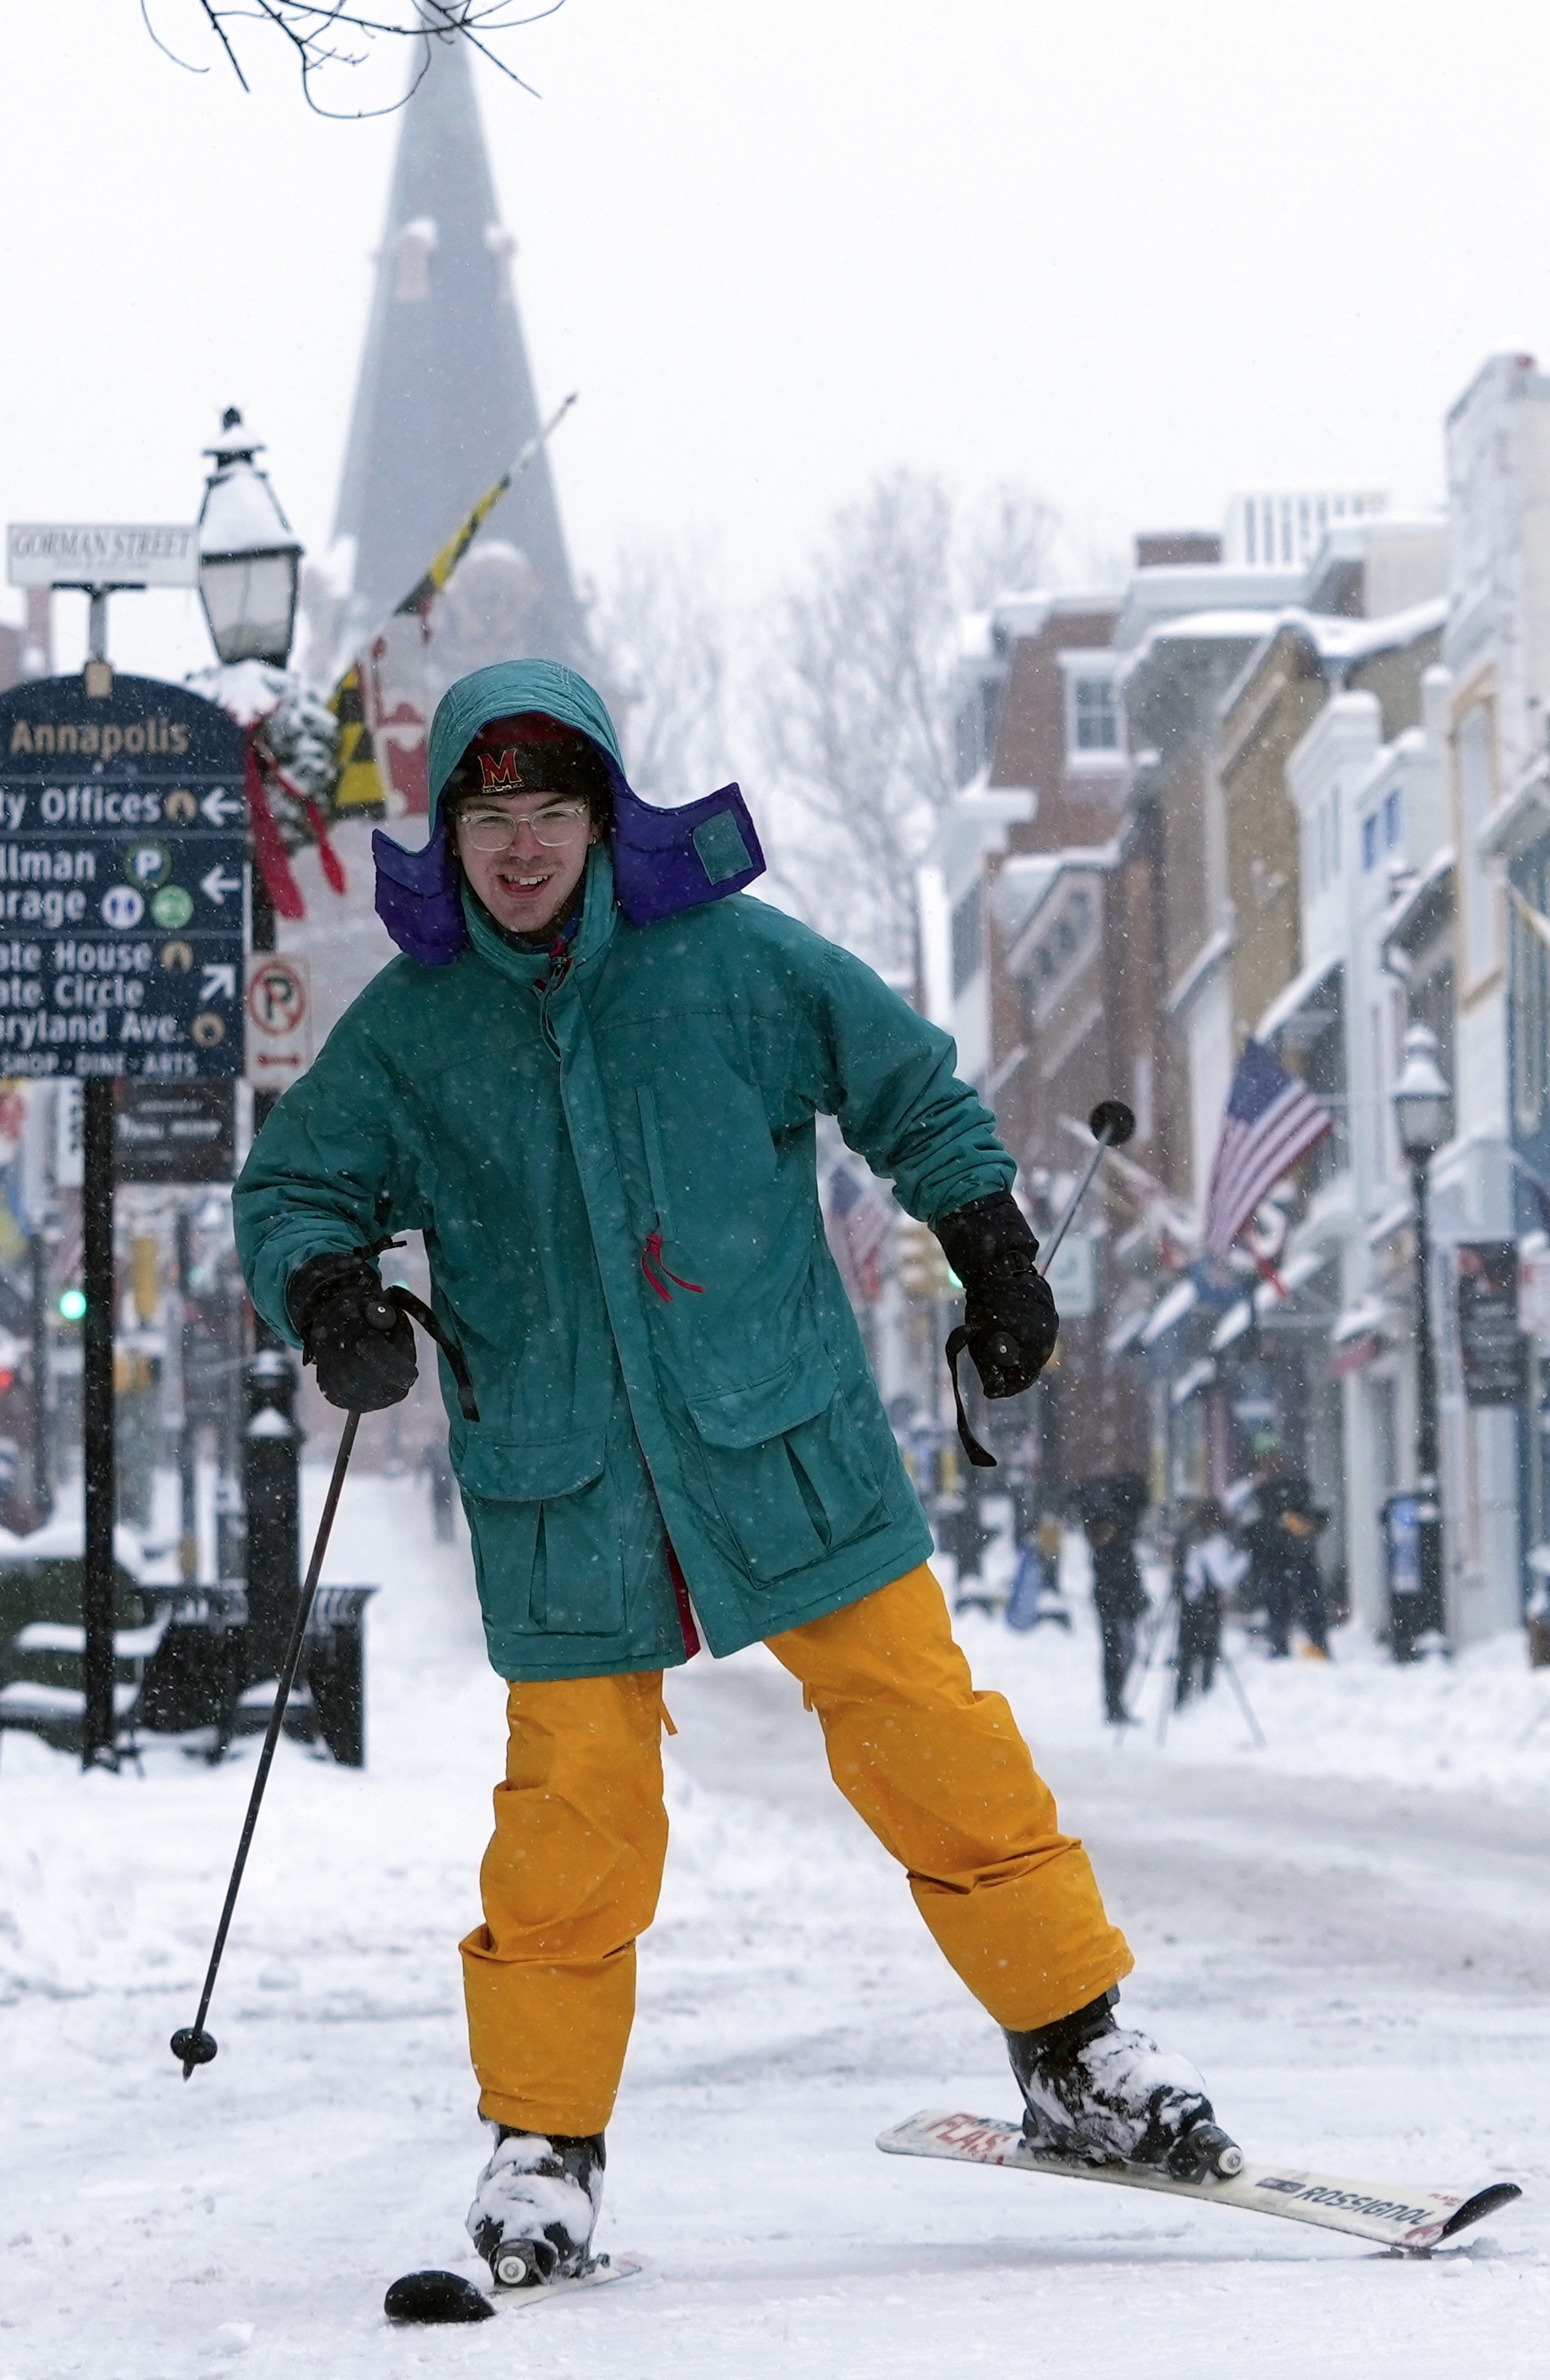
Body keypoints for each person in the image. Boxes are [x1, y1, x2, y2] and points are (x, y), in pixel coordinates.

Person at [236, 662, 1241, 2293]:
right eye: (489, 816)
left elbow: (908, 1081)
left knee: (927, 1729)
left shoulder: (732, 966)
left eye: (551, 811)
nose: (521, 846)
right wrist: (330, 1290)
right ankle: (543, 2144)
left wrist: (985, 1242)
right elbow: (291, 1187)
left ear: (603, 815)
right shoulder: (416, 1033)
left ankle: (1073, 2050)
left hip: (781, 1433)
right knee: (571, 1804)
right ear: (453, 831)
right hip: (560, 1477)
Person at [1075, 1473, 1150, 1725]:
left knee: (1120, 1651)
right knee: (1118, 1652)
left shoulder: (1115, 1538)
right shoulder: (1112, 1538)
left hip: (1118, 1600)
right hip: (1114, 1601)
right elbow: (1118, 1571)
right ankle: (1114, 1702)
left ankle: (1115, 1701)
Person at [1171, 1502, 1245, 1709]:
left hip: (1195, 1599)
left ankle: (1184, 1697)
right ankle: (1201, 1693)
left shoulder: (1194, 1534)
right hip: (1206, 1599)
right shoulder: (1217, 1539)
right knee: (1205, 1650)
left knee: (1189, 1651)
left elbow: (1180, 1561)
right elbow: (1224, 1574)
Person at [1255, 1467, 1334, 1660]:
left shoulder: (1302, 1513)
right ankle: (1285, 1645)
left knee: (1307, 1605)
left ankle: (1313, 1645)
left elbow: (1321, 1519)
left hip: (1295, 1563)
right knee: (1285, 1605)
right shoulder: (1270, 1513)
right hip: (1281, 1563)